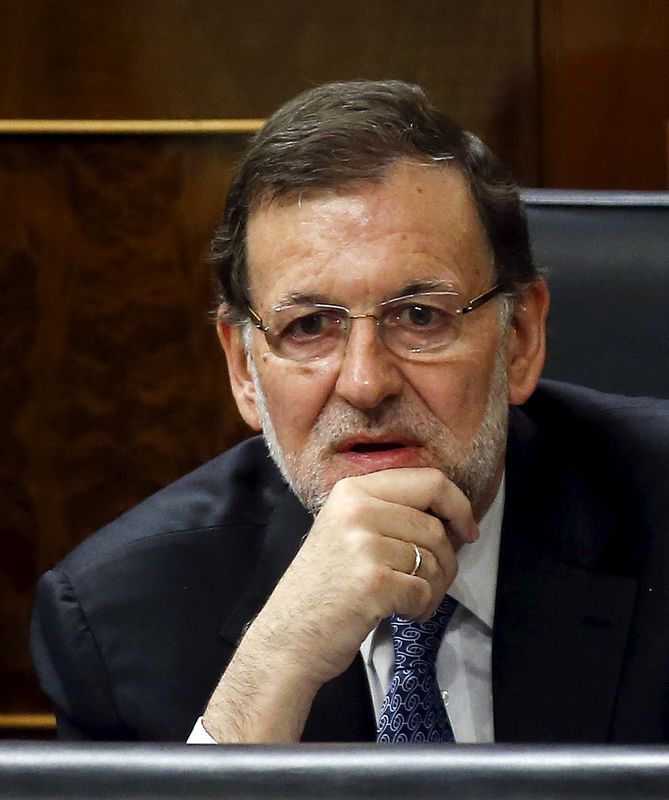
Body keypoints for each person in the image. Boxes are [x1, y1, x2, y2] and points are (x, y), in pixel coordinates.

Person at [31, 80, 669, 744]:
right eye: (308, 326)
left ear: (519, 340)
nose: (365, 383)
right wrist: (277, 662)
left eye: (420, 316)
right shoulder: (117, 621)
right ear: (245, 369)